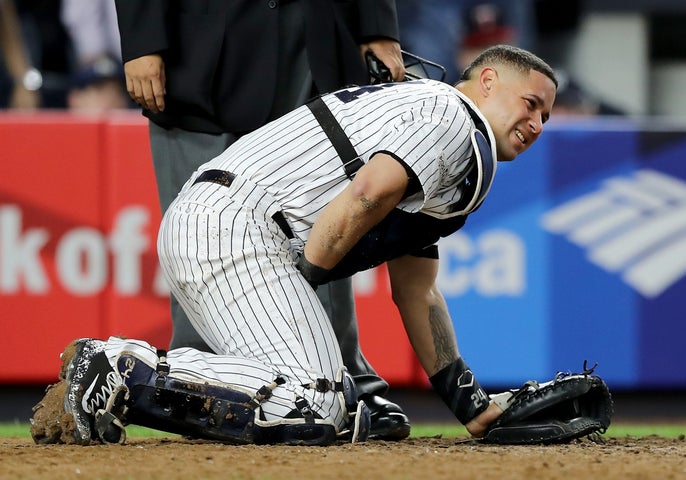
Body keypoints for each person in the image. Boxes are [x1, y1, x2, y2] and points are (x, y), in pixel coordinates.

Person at [35, 44, 557, 447]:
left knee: (337, 406)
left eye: (545, 118)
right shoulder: (452, 117)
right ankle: (121, 366)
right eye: (530, 104)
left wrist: (469, 401)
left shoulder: (439, 124)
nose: (535, 124)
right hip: (239, 228)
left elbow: (417, 292)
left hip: (224, 221)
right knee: (318, 401)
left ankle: (119, 377)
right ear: (487, 81)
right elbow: (368, 192)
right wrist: (302, 283)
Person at [113, 1, 410, 440]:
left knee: (325, 220)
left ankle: (346, 382)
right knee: (199, 234)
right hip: (199, 39)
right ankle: (199, 389)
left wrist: (376, 26)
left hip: (311, 33)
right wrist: (142, 40)